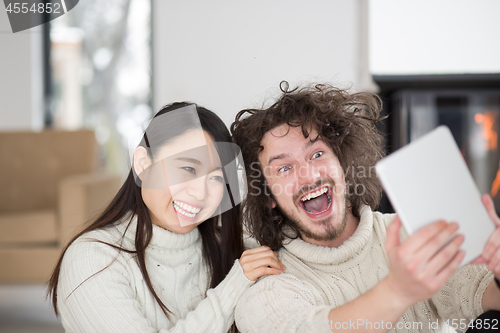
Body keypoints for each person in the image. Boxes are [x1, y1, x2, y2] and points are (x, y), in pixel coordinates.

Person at [230, 83, 500, 333]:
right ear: (268, 196)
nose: (309, 175)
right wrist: (398, 290)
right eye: (285, 168)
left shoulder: (411, 231)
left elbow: (480, 295)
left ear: (343, 165)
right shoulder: (269, 284)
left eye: (317, 154)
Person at [47, 102, 284, 333]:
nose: (200, 193)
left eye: (216, 178)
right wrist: (233, 286)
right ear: (143, 163)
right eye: (188, 169)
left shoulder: (233, 250)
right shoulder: (93, 259)